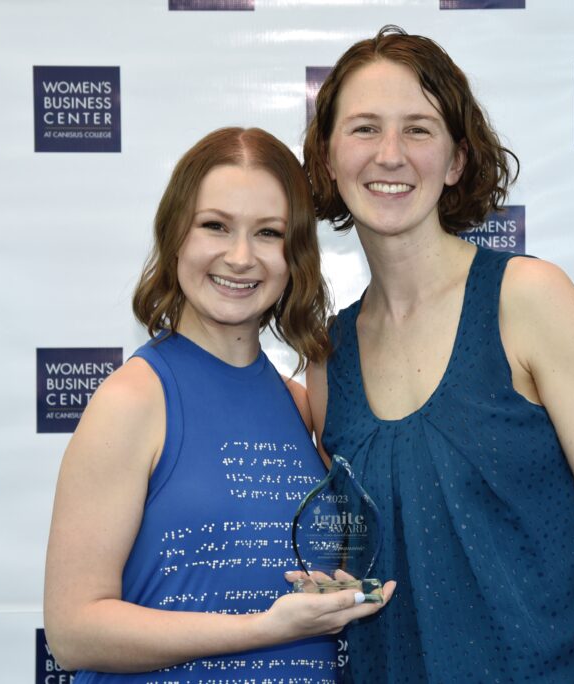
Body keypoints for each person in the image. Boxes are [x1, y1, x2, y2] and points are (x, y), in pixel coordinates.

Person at [302, 26, 574, 683]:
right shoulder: (329, 355)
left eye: (419, 128)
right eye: (363, 129)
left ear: (457, 160)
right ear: (328, 157)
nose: (390, 155)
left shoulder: (527, 299)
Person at [43, 127, 395, 684]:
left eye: (268, 233)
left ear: (294, 254)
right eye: (215, 226)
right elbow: (73, 632)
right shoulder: (134, 400)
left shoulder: (301, 406)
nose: (240, 257)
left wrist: (341, 596)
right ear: (176, 236)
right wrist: (266, 629)